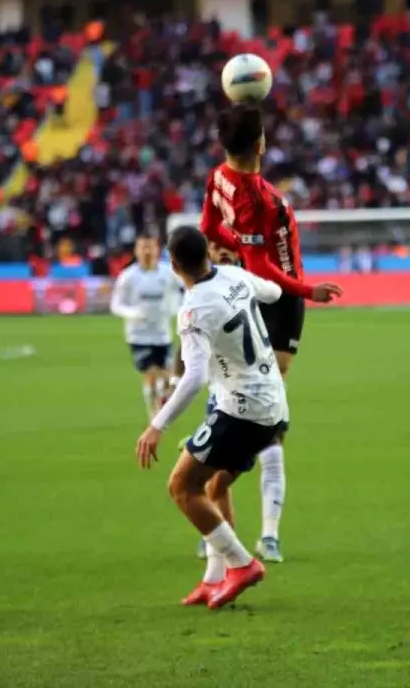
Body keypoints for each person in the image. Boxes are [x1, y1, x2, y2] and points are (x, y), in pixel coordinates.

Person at [195, 104, 343, 564]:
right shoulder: (258, 201)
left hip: (252, 295)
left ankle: (247, 529)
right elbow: (265, 272)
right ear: (262, 143)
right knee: (264, 418)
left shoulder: (218, 176)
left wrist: (233, 243)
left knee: (256, 411)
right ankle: (229, 522)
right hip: (278, 301)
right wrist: (310, 290)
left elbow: (207, 229)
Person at [135, 227, 286, 609]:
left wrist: (158, 424)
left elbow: (195, 376)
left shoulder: (193, 310)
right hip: (272, 403)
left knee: (182, 486)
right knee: (215, 485)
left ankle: (241, 564)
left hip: (242, 409)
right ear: (207, 252)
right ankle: (214, 578)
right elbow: (275, 293)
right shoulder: (234, 274)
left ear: (173, 265)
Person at [110, 232, 183, 419]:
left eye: (151, 246)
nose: (147, 251)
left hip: (162, 334)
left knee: (165, 380)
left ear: (158, 250)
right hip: (138, 335)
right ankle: (153, 412)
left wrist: (177, 307)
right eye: (143, 247)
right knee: (151, 373)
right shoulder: (128, 277)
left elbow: (183, 292)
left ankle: (158, 402)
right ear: (136, 250)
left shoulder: (169, 273)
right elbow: (116, 305)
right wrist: (133, 313)